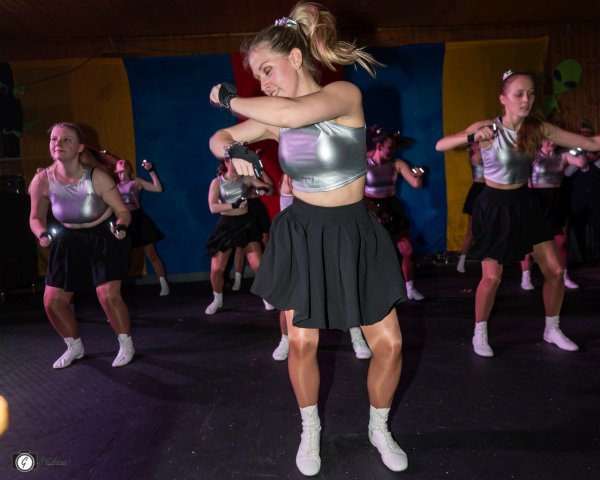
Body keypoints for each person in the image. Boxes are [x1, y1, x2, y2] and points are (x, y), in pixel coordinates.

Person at [209, 3, 408, 475]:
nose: (263, 82)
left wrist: (229, 97)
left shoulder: (342, 95)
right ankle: (310, 428)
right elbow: (218, 137)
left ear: (296, 58)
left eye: (267, 69)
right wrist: (234, 150)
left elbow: (291, 112)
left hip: (354, 231)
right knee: (301, 344)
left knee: (391, 344)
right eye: (256, 75)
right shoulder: (274, 117)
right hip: (303, 232)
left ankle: (379, 428)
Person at [435, 70, 600, 358]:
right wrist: (473, 136)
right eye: (519, 94)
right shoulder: (489, 127)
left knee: (556, 271)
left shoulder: (538, 128)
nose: (527, 99)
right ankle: (480, 332)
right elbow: (441, 145)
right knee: (492, 278)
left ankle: (552, 329)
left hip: (525, 202)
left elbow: (591, 144)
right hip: (494, 204)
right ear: (503, 99)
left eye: (531, 94)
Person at [29, 122, 135, 368]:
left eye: (66, 139)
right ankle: (73, 346)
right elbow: (35, 217)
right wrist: (41, 233)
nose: (58, 143)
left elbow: (123, 211)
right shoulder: (41, 180)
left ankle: (126, 344)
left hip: (103, 234)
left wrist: (121, 226)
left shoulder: (97, 176)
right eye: (54, 139)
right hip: (68, 239)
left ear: (80, 147)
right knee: (52, 301)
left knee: (107, 294)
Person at [205, 156, 273, 314]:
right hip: (226, 225)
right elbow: (212, 207)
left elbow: (270, 191)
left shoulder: (247, 178)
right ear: (226, 162)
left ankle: (266, 296)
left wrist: (265, 188)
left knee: (258, 265)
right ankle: (217, 299)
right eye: (233, 161)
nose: (236, 165)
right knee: (217, 269)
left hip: (246, 224)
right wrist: (233, 205)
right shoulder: (217, 182)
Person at [365, 127, 426, 300]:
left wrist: (419, 174)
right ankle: (372, 291)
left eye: (394, 148)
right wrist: (373, 210)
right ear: (379, 146)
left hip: (391, 207)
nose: (392, 151)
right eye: (390, 148)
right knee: (372, 253)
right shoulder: (363, 163)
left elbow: (416, 184)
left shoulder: (397, 163)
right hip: (370, 207)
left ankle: (410, 289)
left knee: (408, 250)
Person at [519, 138, 587, 290]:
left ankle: (564, 277)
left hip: (555, 200)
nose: (550, 142)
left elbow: (582, 163)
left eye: (553, 140)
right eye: (547, 140)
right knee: (530, 242)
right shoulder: (534, 156)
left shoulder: (562, 156)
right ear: (540, 140)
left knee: (560, 242)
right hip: (536, 199)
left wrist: (580, 149)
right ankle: (526, 277)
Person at [114, 157, 170, 296]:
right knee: (121, 257)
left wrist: (151, 171)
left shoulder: (136, 182)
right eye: (119, 170)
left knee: (151, 253)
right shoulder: (113, 187)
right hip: (123, 221)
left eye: (123, 169)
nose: (121, 173)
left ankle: (164, 284)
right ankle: (116, 291)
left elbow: (158, 188)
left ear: (129, 169)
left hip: (138, 219)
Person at [231, 152, 275, 291]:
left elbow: (270, 188)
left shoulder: (254, 172)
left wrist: (259, 167)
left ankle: (266, 276)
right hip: (242, 209)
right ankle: (237, 280)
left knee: (264, 241)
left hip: (256, 208)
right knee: (240, 247)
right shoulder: (235, 174)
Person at [565, 120, 600, 263]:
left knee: (598, 227)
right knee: (577, 227)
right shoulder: (573, 151)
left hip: (596, 197)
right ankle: (578, 258)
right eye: (582, 136)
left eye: (587, 136)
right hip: (577, 197)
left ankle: (597, 255)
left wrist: (594, 158)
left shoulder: (598, 151)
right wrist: (580, 159)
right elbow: (567, 173)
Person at [456, 141, 484, 273]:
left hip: (489, 190)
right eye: (476, 143)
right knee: (472, 230)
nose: (480, 143)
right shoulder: (476, 155)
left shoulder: (484, 152)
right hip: (478, 191)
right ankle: (461, 260)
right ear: (472, 146)